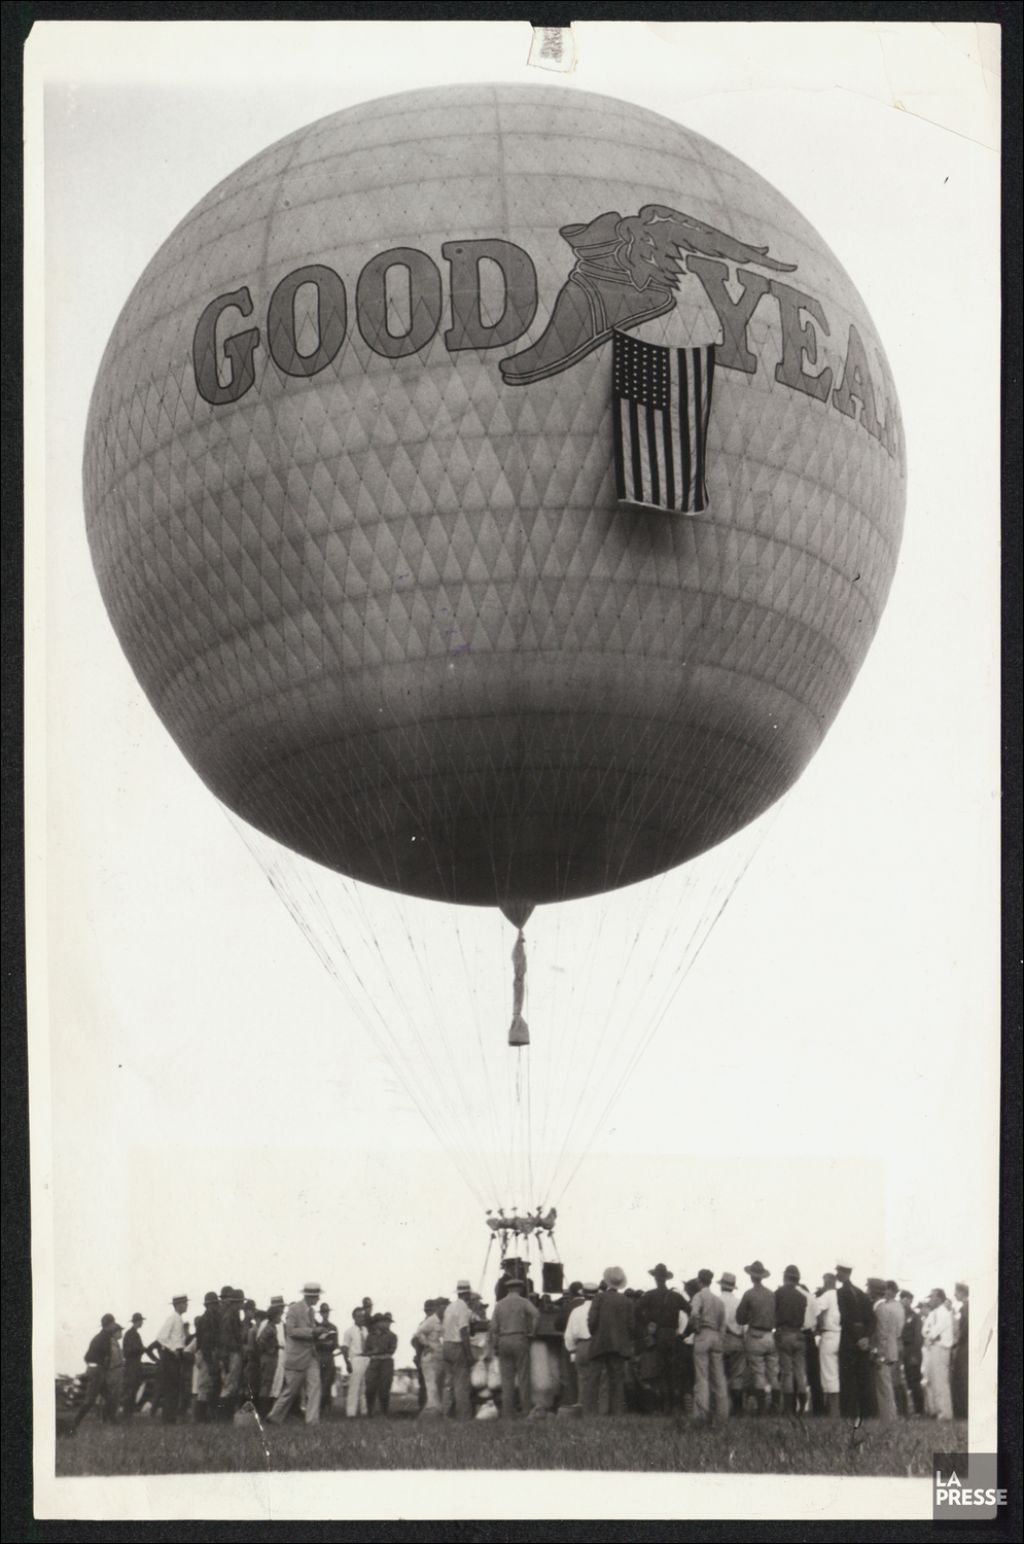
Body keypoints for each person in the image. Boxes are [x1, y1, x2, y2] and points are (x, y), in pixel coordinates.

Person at [267, 1281, 328, 1426]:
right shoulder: (294, 1309)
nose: (318, 1299)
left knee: (315, 1387)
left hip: (310, 1355)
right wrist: (313, 1331)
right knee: (291, 1390)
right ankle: (274, 1417)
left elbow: (308, 1332)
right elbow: (291, 1331)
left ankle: (312, 1421)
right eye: (317, 1296)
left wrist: (319, 1334)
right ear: (310, 1296)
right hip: (297, 1357)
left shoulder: (311, 1311)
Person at [635, 1263, 686, 1414]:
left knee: (660, 1371)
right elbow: (691, 1311)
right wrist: (684, 1333)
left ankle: (664, 1407)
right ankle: (675, 1406)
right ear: (666, 1279)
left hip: (658, 1335)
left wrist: (647, 1323)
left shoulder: (649, 1295)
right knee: (673, 1371)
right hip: (672, 1335)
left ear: (655, 1279)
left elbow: (636, 1310)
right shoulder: (676, 1296)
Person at [488, 1276, 539, 1418]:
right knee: (523, 1377)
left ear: (507, 1289)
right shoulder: (524, 1302)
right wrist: (532, 1332)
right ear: (520, 1288)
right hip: (519, 1338)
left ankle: (507, 1413)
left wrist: (495, 1345)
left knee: (506, 1380)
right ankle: (526, 1411)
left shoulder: (499, 1305)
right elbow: (536, 1315)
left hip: (504, 1340)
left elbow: (493, 1327)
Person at [587, 1267, 634, 1416]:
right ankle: (617, 1413)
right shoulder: (626, 1301)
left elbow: (592, 1321)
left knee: (593, 1379)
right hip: (618, 1345)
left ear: (607, 1281)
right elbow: (631, 1325)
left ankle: (590, 1413)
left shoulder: (599, 1298)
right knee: (617, 1380)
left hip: (600, 1343)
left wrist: (595, 1334)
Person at [735, 1261, 778, 1414]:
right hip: (770, 1336)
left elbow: (740, 1318)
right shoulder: (771, 1294)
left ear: (751, 1277)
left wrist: (750, 1316)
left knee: (758, 1372)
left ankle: (761, 1409)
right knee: (773, 1373)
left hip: (755, 1335)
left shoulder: (749, 1294)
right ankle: (775, 1407)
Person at [835, 1260, 877, 1419]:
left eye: (838, 1272)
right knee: (864, 1379)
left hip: (849, 1340)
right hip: (863, 1341)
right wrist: (866, 1337)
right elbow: (872, 1319)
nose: (837, 1274)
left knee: (847, 1378)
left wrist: (858, 1338)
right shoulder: (861, 1294)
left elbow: (845, 1318)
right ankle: (868, 1413)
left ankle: (848, 1413)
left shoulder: (840, 1293)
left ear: (843, 1272)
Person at [688, 1269, 728, 1423]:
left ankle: (701, 1414)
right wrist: (720, 1338)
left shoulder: (698, 1296)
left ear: (699, 1281)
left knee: (702, 1377)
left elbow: (694, 1314)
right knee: (719, 1377)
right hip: (716, 1336)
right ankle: (722, 1414)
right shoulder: (719, 1301)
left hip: (703, 1335)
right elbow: (723, 1324)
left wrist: (697, 1328)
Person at [70, 1313, 117, 1433]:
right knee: (90, 1400)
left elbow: (87, 1357)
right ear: (109, 1324)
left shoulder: (100, 1337)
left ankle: (112, 1421)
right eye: (113, 1323)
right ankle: (73, 1424)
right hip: (97, 1371)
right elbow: (105, 1357)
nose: (115, 1325)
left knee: (109, 1397)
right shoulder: (104, 1338)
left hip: (95, 1369)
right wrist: (101, 1369)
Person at [773, 1265, 809, 1415]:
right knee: (800, 1372)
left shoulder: (778, 1293)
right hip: (799, 1335)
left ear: (785, 1277)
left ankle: (788, 1408)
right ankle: (802, 1406)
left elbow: (774, 1314)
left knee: (787, 1372)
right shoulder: (802, 1296)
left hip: (784, 1333)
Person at [868, 1277, 903, 1423]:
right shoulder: (887, 1308)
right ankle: (888, 1416)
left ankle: (889, 1417)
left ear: (873, 1291)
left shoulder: (881, 1309)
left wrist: (879, 1353)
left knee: (884, 1385)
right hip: (889, 1352)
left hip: (884, 1353)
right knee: (885, 1385)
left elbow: (882, 1334)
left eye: (868, 1288)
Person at [152, 1294, 190, 1424]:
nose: (186, 1305)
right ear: (177, 1305)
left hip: (176, 1355)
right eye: (184, 1303)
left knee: (174, 1387)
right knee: (171, 1387)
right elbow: (161, 1337)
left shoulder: (178, 1319)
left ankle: (170, 1417)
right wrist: (173, 1349)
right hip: (170, 1356)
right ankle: (168, 1418)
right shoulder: (173, 1318)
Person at [440, 1281, 475, 1420]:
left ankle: (446, 1413)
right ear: (467, 1294)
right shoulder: (463, 1307)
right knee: (461, 1383)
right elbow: (463, 1331)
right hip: (457, 1345)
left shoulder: (450, 1307)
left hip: (446, 1345)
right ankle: (463, 1416)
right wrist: (469, 1354)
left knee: (449, 1383)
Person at [564, 1282, 600, 1414]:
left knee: (582, 1380)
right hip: (596, 1345)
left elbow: (569, 1335)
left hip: (581, 1346)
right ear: (597, 1294)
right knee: (599, 1380)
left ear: (583, 1294)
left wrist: (573, 1349)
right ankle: (596, 1411)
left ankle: (583, 1411)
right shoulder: (600, 1310)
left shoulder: (576, 1311)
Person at [922, 1287, 954, 1419]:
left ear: (940, 1298)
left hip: (941, 1348)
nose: (930, 1299)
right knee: (931, 1379)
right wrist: (929, 1334)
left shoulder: (944, 1313)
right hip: (932, 1348)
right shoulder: (932, 1313)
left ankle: (945, 1413)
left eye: (933, 1297)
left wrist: (930, 1334)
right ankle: (935, 1410)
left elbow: (935, 1332)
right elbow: (924, 1330)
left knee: (940, 1380)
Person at [718, 1273, 747, 1416]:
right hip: (737, 1339)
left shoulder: (717, 1301)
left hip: (721, 1339)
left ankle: (722, 1409)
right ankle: (737, 1409)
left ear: (721, 1286)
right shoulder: (739, 1302)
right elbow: (745, 1325)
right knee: (737, 1376)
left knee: (720, 1374)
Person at [412, 1298, 446, 1418]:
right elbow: (418, 1333)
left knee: (438, 1384)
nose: (445, 1309)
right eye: (442, 1306)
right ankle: (430, 1412)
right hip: (430, 1356)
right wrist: (426, 1345)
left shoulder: (443, 1321)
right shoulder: (431, 1320)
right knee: (431, 1385)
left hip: (440, 1356)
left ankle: (436, 1410)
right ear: (438, 1307)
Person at [215, 1285, 245, 1420]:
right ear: (238, 1302)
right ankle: (223, 1416)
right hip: (231, 1354)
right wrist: (239, 1347)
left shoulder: (231, 1315)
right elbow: (227, 1338)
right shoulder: (230, 1316)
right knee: (229, 1384)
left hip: (229, 1353)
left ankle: (225, 1416)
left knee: (230, 1384)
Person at [192, 1290, 221, 1423]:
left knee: (206, 1385)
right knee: (204, 1386)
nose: (216, 1306)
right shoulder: (207, 1320)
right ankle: (200, 1417)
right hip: (206, 1354)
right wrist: (209, 1361)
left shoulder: (207, 1319)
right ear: (209, 1305)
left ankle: (203, 1416)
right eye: (214, 1304)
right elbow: (206, 1342)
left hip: (205, 1353)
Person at [815, 1273, 841, 1418]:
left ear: (826, 1282)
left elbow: (816, 1311)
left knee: (829, 1373)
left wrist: (818, 1328)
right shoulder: (840, 1295)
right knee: (838, 1373)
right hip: (841, 1335)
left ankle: (834, 1412)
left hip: (829, 1334)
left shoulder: (827, 1295)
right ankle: (837, 1410)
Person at [364, 1313, 398, 1416]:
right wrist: (373, 1352)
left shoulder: (392, 1336)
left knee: (384, 1388)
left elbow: (391, 1350)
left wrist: (377, 1350)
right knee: (370, 1388)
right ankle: (370, 1411)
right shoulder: (370, 1336)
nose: (386, 1324)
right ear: (377, 1323)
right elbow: (366, 1349)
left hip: (386, 1362)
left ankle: (384, 1412)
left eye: (387, 1322)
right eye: (383, 1322)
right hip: (374, 1362)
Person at [256, 1299, 285, 1417]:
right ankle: (263, 1412)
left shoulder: (272, 1326)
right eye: (278, 1315)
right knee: (266, 1384)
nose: (280, 1317)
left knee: (269, 1384)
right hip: (269, 1358)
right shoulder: (269, 1327)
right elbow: (260, 1341)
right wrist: (271, 1349)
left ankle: (265, 1411)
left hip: (272, 1357)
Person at [120, 1313, 152, 1418]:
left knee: (134, 1388)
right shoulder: (130, 1334)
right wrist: (141, 1349)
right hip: (131, 1365)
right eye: (141, 1321)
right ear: (136, 1321)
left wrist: (142, 1349)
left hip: (135, 1364)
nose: (142, 1323)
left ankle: (129, 1413)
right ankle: (127, 1413)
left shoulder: (134, 1334)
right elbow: (127, 1351)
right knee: (130, 1388)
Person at [898, 1289, 924, 1416]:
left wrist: (914, 1355)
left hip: (911, 1351)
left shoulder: (914, 1316)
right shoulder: (898, 1313)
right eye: (903, 1299)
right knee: (904, 1380)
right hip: (900, 1349)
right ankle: (904, 1409)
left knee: (914, 1380)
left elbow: (918, 1337)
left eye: (908, 1300)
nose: (905, 1302)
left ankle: (919, 1410)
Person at [341, 1305, 369, 1417]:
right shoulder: (349, 1331)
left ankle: (364, 1411)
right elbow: (344, 1348)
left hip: (366, 1358)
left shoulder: (366, 1330)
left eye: (362, 1316)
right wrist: (347, 1362)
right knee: (354, 1387)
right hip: (355, 1358)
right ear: (354, 1317)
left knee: (364, 1387)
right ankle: (351, 1412)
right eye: (358, 1316)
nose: (361, 1318)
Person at [315, 1301, 339, 1415]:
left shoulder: (333, 1327)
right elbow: (314, 1344)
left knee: (328, 1382)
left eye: (327, 1312)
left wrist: (327, 1344)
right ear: (320, 1313)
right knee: (318, 1382)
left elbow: (335, 1344)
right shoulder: (316, 1327)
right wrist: (325, 1343)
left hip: (329, 1356)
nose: (325, 1314)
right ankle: (319, 1408)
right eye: (323, 1312)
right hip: (319, 1356)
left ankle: (326, 1408)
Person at [952, 1282, 969, 1418]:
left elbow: (965, 1328)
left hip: (964, 1346)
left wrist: (958, 1341)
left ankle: (963, 1411)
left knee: (962, 1377)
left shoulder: (966, 1307)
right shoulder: (964, 1307)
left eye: (956, 1292)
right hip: (964, 1345)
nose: (954, 1294)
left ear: (962, 1292)